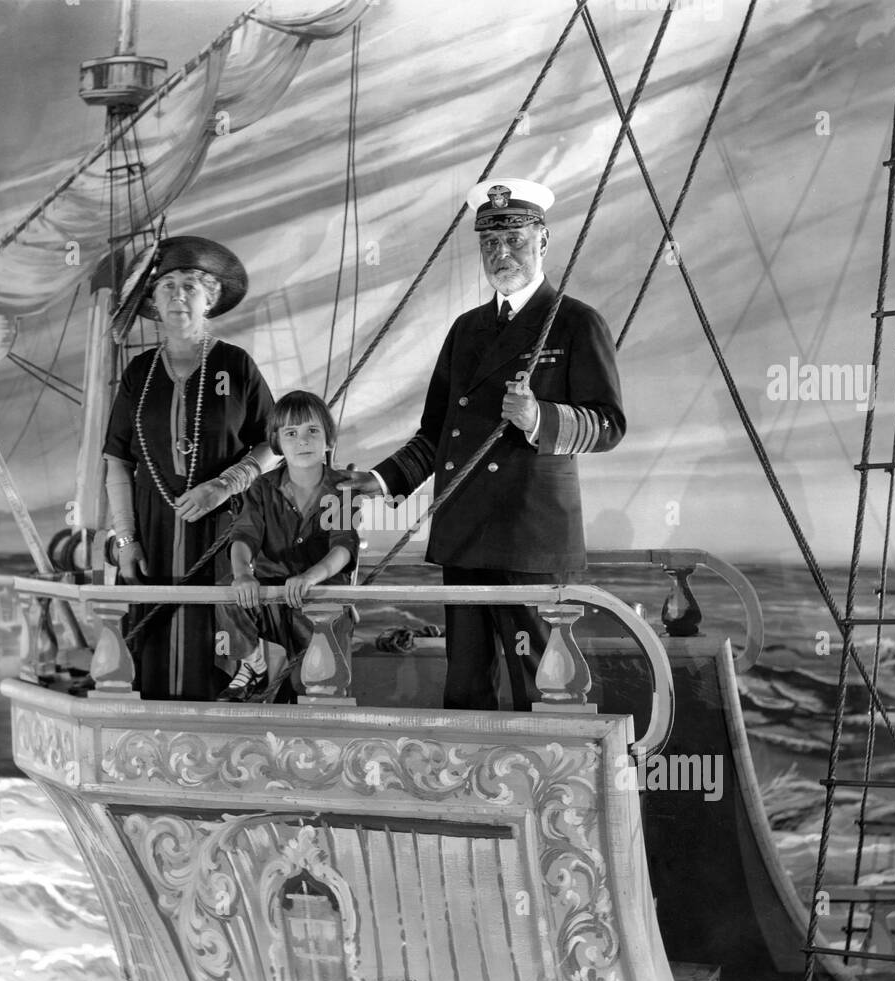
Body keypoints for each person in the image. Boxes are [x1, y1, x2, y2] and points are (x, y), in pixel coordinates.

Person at [340, 177, 625, 711]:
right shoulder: (465, 330)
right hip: (465, 531)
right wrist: (377, 481)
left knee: (541, 682)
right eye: (490, 243)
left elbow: (609, 424)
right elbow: (436, 434)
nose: (502, 253)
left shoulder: (576, 323)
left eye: (515, 239)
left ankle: (547, 788)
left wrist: (540, 418)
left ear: (543, 241)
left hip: (530, 535)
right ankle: (475, 788)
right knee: (466, 683)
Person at [103, 235, 275, 700]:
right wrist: (125, 539)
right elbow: (117, 462)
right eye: (167, 286)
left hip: (223, 530)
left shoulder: (235, 365)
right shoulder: (138, 373)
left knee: (219, 645)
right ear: (154, 302)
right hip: (152, 533)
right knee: (151, 644)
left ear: (210, 299)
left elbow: (271, 445)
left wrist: (224, 485)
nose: (178, 295)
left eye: (190, 287)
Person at [216, 391, 359, 701]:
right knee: (226, 591)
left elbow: (343, 547)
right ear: (278, 442)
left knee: (312, 684)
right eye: (291, 433)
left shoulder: (342, 488)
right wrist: (242, 573)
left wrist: (311, 576)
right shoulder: (262, 487)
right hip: (270, 596)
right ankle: (253, 662)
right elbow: (244, 537)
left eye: (312, 431)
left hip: (319, 596)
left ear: (328, 439)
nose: (302, 440)